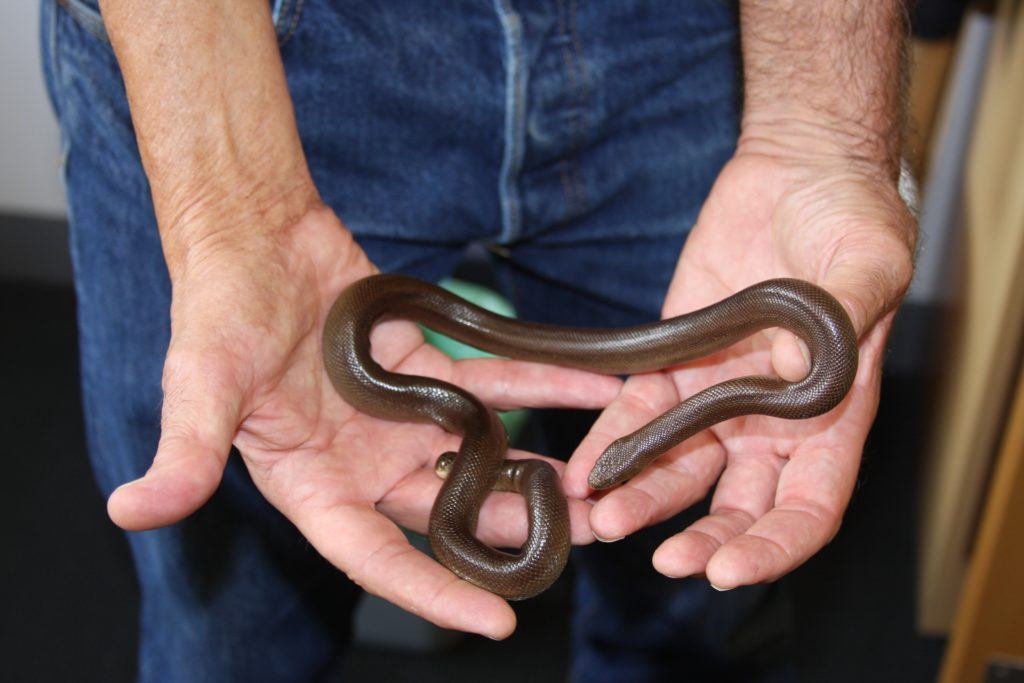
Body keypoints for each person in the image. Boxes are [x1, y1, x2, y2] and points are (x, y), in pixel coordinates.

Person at [42, 0, 916, 680]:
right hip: (244, 55)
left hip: (698, 40)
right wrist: (232, 211)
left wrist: (821, 138)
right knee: (228, 636)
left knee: (699, 607)